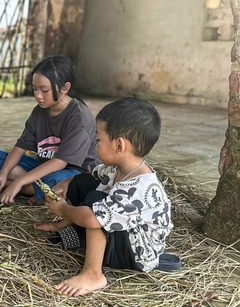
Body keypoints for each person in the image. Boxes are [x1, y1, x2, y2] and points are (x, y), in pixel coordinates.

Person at [35, 97, 173, 296]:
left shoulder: (139, 188)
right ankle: (76, 234)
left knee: (95, 204)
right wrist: (66, 184)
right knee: (83, 182)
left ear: (119, 146)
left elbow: (93, 217)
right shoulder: (119, 167)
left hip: (135, 253)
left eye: (98, 139)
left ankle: (93, 274)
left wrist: (63, 209)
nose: (95, 143)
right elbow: (90, 179)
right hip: (119, 233)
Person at [0, 55, 101, 205]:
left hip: (72, 171)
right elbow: (21, 146)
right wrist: (3, 173)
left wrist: (19, 181)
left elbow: (60, 163)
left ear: (65, 88)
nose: (38, 96)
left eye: (44, 90)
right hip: (43, 165)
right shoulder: (39, 111)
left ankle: (16, 186)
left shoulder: (79, 117)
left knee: (57, 180)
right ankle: (33, 189)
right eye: (34, 89)